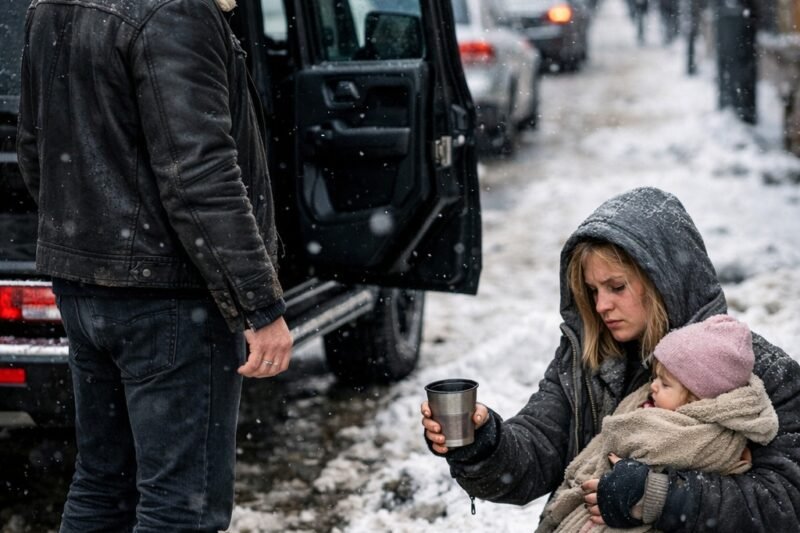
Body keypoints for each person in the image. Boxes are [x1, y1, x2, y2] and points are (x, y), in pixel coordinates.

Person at [17, 0, 293, 531]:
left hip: (88, 287)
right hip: (170, 298)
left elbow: (36, 147)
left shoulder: (49, 5)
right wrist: (260, 306)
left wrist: (91, 241)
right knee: (180, 508)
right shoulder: (177, 11)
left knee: (103, 486)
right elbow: (200, 176)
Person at [420, 187, 800, 530]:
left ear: (663, 281)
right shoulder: (590, 358)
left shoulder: (756, 372)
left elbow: (787, 501)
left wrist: (663, 497)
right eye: (592, 291)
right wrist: (483, 442)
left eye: (616, 287)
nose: (601, 305)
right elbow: (536, 451)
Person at [535, 314, 779, 533]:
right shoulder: (647, 403)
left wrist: (639, 479)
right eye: (655, 377)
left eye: (665, 384)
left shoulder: (698, 437)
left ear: (695, 400)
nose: (652, 386)